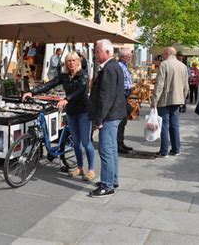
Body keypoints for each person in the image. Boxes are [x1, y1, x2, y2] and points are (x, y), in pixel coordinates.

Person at [23, 52, 95, 181]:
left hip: (84, 112)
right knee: (76, 143)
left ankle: (91, 170)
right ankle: (79, 168)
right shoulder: (64, 76)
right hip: (71, 112)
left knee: (86, 142)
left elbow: (81, 90)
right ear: (66, 63)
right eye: (69, 61)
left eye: (73, 60)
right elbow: (49, 84)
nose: (71, 63)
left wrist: (66, 99)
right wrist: (32, 92)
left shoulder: (83, 75)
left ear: (78, 62)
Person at [88, 39, 126, 197]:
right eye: (95, 51)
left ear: (108, 52)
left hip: (109, 116)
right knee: (111, 150)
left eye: (98, 51)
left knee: (106, 150)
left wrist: (99, 119)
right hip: (113, 114)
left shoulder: (109, 68)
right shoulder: (113, 66)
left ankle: (107, 185)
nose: (95, 54)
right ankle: (112, 179)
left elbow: (106, 97)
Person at [151, 47, 189, 157]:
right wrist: (183, 98)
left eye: (163, 53)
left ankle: (164, 151)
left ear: (168, 53)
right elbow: (186, 86)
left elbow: (159, 85)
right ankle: (176, 149)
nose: (162, 55)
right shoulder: (182, 66)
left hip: (165, 99)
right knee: (174, 125)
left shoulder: (164, 64)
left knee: (164, 125)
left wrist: (154, 100)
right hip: (177, 99)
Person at [117, 48, 134, 154]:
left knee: (123, 121)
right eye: (129, 56)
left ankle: (121, 142)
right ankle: (118, 144)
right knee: (120, 122)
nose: (130, 58)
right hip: (120, 97)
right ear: (123, 57)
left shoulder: (125, 66)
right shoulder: (119, 66)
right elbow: (119, 83)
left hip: (124, 97)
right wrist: (131, 85)